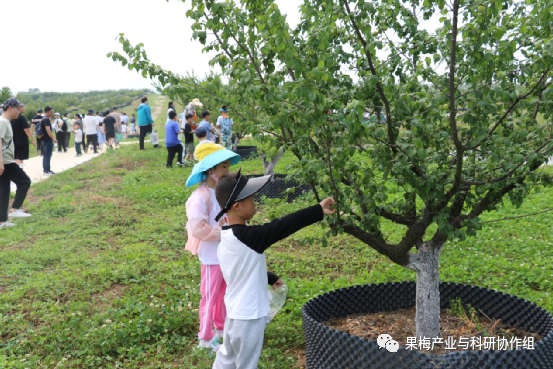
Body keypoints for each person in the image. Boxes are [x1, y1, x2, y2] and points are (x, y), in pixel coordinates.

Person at [212, 172, 335, 368]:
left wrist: (268, 277)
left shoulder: (226, 235)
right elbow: (283, 226)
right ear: (237, 206)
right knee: (246, 364)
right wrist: (318, 210)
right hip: (250, 317)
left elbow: (238, 267)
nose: (255, 204)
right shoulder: (250, 237)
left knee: (226, 359)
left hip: (234, 314)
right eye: (252, 200)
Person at [185, 142, 241, 353]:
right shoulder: (201, 197)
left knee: (223, 294)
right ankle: (205, 338)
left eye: (228, 166)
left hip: (224, 254)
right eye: (224, 167)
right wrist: (223, 231)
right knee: (209, 297)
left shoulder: (220, 194)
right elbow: (198, 227)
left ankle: (221, 329)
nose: (227, 171)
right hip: (210, 257)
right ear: (211, 170)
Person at [0, 98, 33, 229]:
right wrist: (1, 162)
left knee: (3, 191)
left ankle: (2, 221)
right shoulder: (3, 122)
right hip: (6, 162)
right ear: (10, 108)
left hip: (5, 161)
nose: (19, 111)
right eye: (17, 108)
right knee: (25, 181)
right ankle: (15, 209)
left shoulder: (6, 122)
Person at [40, 106, 57, 175]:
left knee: (46, 155)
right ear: (46, 112)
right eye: (51, 112)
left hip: (44, 140)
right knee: (47, 155)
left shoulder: (43, 118)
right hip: (47, 140)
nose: (52, 113)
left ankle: (46, 169)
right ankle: (47, 170)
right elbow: (48, 130)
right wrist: (53, 138)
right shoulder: (46, 120)